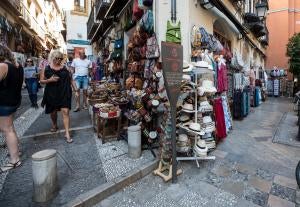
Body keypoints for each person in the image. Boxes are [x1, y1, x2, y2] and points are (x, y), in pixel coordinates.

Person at [40, 50, 78, 143]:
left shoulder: (65, 68)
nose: (58, 60)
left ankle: (67, 133)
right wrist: (50, 80)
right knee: (53, 112)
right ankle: (54, 125)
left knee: (65, 112)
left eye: (60, 59)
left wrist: (76, 90)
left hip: (64, 92)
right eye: (57, 58)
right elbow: (41, 81)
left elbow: (71, 80)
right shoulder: (46, 68)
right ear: (52, 57)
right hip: (52, 93)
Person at [0, 44, 23, 172]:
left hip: (4, 103)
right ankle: (16, 150)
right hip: (13, 101)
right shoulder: (17, 66)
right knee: (10, 128)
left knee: (7, 130)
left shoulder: (3, 66)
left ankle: (14, 160)